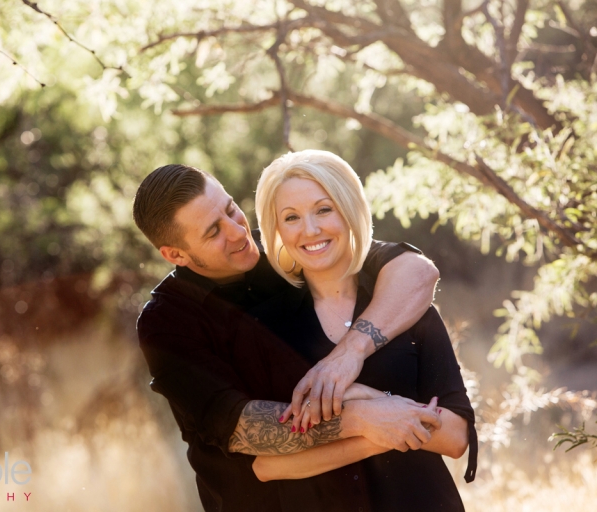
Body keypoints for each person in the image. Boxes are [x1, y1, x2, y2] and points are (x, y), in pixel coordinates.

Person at [133, 164, 444, 511]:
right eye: (213, 232)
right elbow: (242, 428)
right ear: (175, 254)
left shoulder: (288, 248)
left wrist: (350, 352)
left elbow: (416, 271)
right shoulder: (166, 323)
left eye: (231, 208)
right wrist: (365, 417)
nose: (238, 232)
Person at [248, 149, 477, 511]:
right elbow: (268, 464)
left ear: (349, 209)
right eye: (291, 217)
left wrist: (369, 398)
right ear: (276, 230)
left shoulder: (405, 308)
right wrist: (375, 425)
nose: (310, 230)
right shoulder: (265, 327)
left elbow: (455, 436)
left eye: (324, 209)